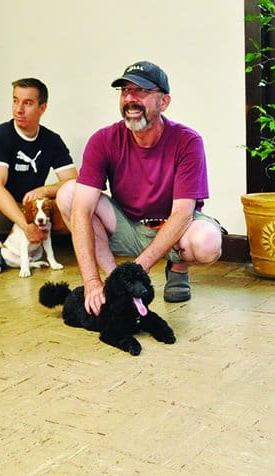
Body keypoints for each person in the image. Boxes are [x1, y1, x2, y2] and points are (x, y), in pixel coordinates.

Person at [57, 60, 222, 314]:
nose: (130, 98)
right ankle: (114, 283)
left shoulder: (187, 141)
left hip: (174, 226)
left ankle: (178, 268)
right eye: (125, 91)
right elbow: (80, 211)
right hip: (128, 225)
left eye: (141, 91)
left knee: (207, 242)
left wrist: (136, 270)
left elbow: (182, 214)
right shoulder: (103, 140)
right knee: (69, 193)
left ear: (164, 102)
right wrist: (92, 283)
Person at [0, 78, 78, 275]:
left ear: (42, 108)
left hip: (33, 209)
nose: (19, 109)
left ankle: (77, 249)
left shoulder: (52, 140)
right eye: (15, 101)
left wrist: (45, 190)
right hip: (1, 210)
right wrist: (24, 225)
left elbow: (73, 180)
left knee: (75, 197)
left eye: (27, 103)